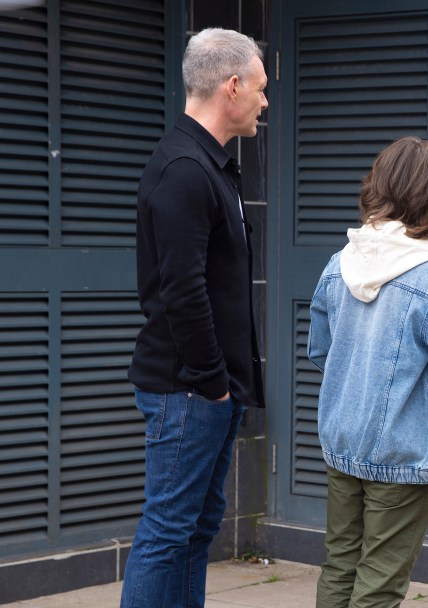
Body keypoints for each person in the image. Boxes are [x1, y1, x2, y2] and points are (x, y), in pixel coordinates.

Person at [122, 28, 268, 608]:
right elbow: (182, 293)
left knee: (194, 531)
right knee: (167, 532)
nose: (263, 102)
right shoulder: (185, 169)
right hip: (189, 393)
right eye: (259, 89)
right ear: (231, 86)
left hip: (207, 391)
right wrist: (211, 385)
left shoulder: (207, 164)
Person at [309, 136, 428, 608]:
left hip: (342, 440)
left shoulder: (340, 262)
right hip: (404, 452)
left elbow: (321, 352)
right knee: (381, 583)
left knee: (340, 565)